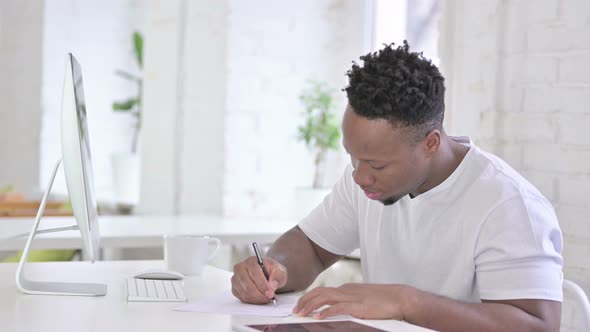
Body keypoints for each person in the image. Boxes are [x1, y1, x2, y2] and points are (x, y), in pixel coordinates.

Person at [231, 41, 563, 332]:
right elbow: (312, 247)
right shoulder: (365, 181)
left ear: (431, 143)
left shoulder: (507, 205)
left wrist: (407, 302)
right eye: (352, 157)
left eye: (377, 165)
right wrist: (276, 269)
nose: (360, 176)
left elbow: (537, 325)